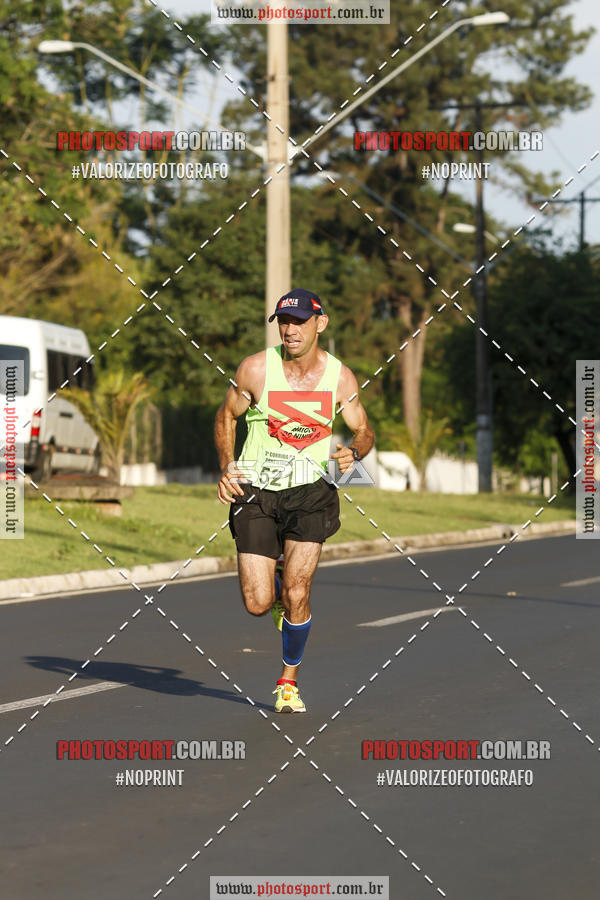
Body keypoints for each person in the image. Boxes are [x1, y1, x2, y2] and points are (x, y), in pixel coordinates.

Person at [215, 288, 374, 713]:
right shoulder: (254, 369)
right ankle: (279, 581)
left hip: (311, 492)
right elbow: (226, 416)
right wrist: (228, 465)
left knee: (299, 591)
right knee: (258, 603)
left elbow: (364, 429)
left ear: (319, 324)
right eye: (284, 322)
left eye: (299, 321)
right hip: (258, 492)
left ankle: (288, 680)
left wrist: (355, 451)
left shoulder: (340, 377)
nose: (290, 330)